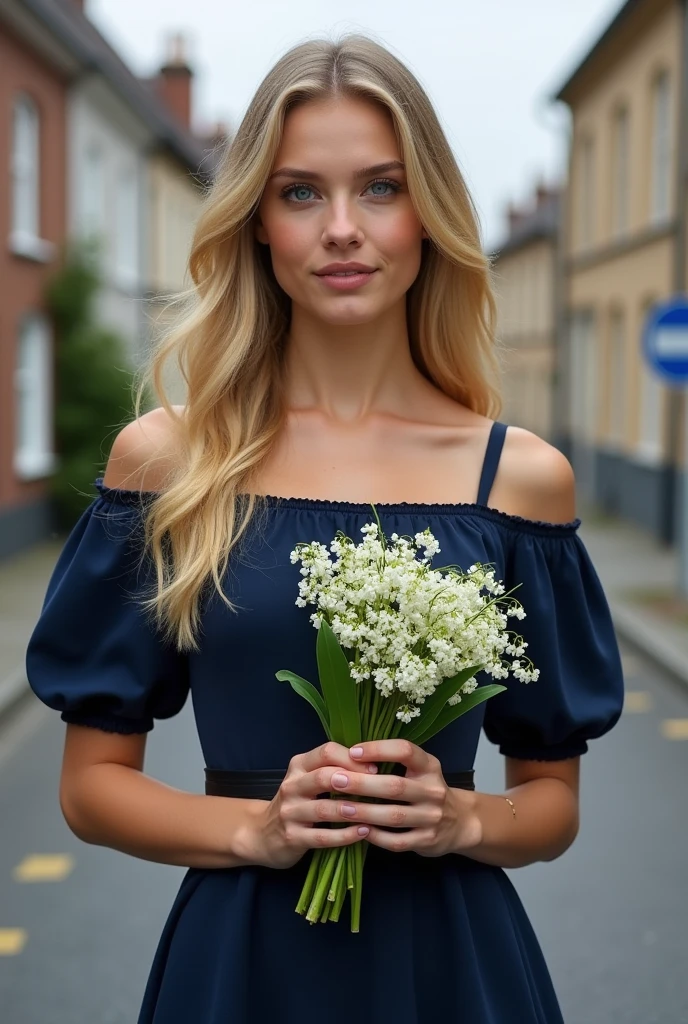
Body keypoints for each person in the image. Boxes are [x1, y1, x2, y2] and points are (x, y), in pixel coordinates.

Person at [26, 34, 624, 1024]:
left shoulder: (519, 479)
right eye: (301, 192)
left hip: (452, 964)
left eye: (380, 188)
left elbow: (550, 803)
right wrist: (258, 830)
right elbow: (92, 788)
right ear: (257, 221)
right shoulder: (168, 461)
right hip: (243, 960)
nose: (342, 227)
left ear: (426, 213)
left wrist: (461, 815)